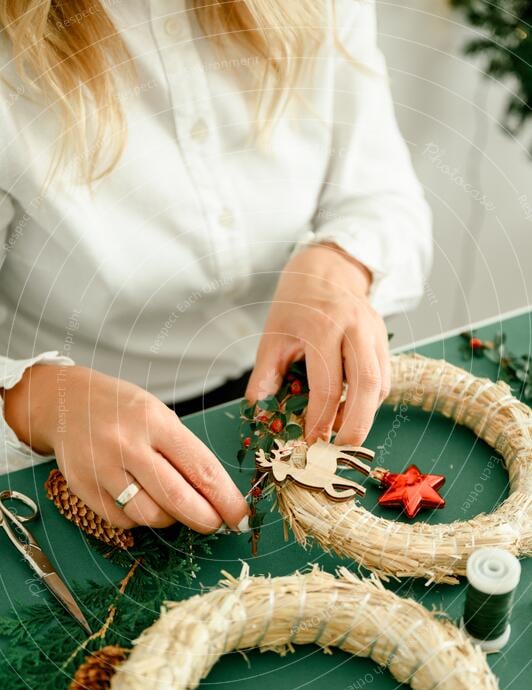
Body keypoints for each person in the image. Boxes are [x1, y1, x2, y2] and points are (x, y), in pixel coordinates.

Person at [0, 0, 431, 535]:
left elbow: (382, 193)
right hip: (71, 432)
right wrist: (37, 402)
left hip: (294, 381)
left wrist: (339, 263)